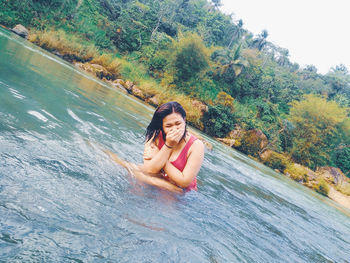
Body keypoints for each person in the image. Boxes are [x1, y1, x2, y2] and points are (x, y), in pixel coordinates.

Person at [104, 101, 204, 193]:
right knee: (128, 170)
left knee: (136, 173)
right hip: (157, 178)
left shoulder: (196, 145)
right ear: (161, 126)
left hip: (179, 191)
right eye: (169, 126)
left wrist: (159, 154)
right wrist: (168, 145)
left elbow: (184, 182)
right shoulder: (154, 135)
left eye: (178, 124)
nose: (175, 129)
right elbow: (150, 170)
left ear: (184, 120)